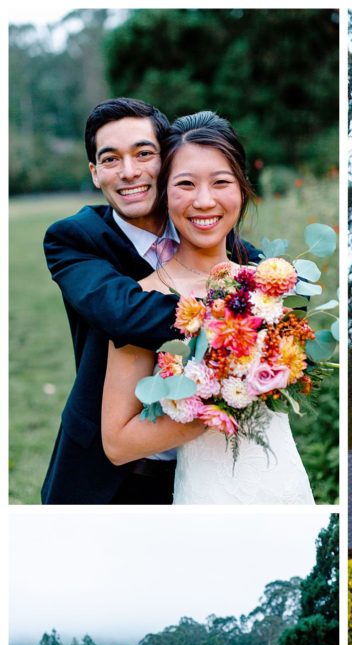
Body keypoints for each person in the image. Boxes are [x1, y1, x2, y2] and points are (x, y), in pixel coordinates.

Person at [41, 97, 260, 504]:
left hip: (207, 470)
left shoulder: (225, 243)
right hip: (106, 475)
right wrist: (246, 321)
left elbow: (257, 273)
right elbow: (125, 314)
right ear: (94, 172)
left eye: (144, 154)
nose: (129, 172)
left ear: (168, 160)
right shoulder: (74, 239)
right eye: (110, 159)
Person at [101, 111, 315, 504]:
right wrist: (225, 404)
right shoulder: (140, 300)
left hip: (285, 485)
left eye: (221, 182)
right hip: (208, 494)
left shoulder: (270, 284)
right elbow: (117, 442)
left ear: (242, 190)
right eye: (185, 184)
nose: (204, 201)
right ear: (164, 193)